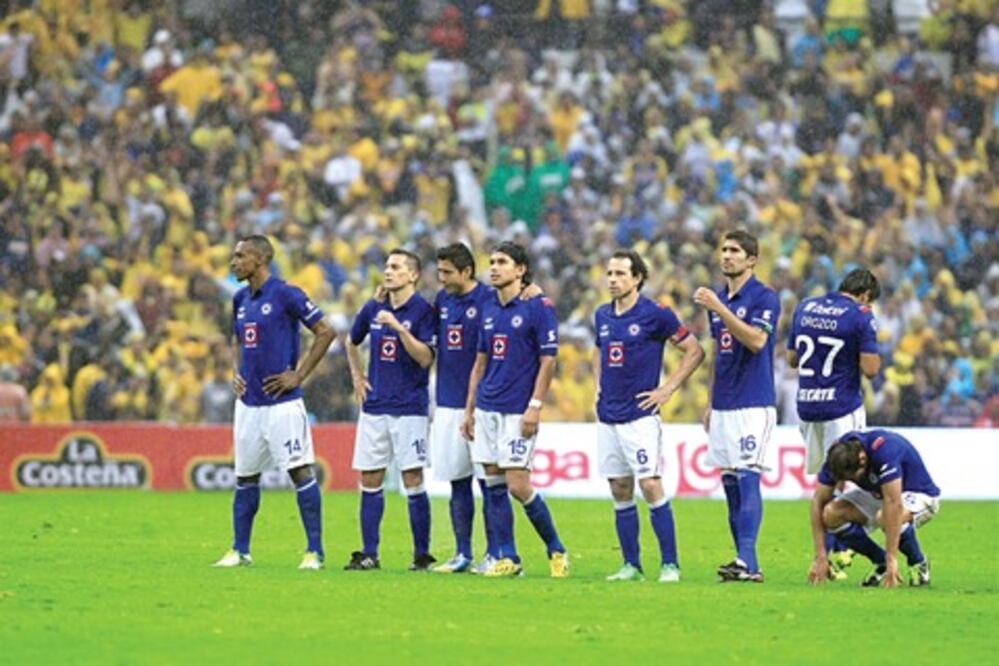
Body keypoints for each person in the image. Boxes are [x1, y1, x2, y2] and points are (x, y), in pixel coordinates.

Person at [214, 235, 336, 570]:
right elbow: (235, 339)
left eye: (240, 256)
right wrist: (234, 371)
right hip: (248, 404)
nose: (234, 262)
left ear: (259, 259)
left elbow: (325, 331)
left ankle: (314, 551)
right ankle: (240, 550)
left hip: (282, 404)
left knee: (299, 471)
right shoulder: (240, 298)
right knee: (246, 476)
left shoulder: (286, 294)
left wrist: (299, 375)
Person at [594, 250, 704, 582]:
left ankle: (670, 564)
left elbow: (694, 350)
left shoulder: (656, 314)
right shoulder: (601, 315)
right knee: (619, 487)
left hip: (640, 416)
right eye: (610, 273)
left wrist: (667, 388)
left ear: (638, 277)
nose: (612, 279)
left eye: (620, 274)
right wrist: (599, 390)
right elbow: (600, 353)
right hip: (607, 415)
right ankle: (631, 565)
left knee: (650, 484)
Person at [461, 242, 569, 577]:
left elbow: (548, 360)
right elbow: (479, 363)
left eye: (502, 262)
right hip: (487, 407)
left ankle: (556, 548)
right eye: (491, 261)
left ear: (520, 270)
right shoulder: (488, 308)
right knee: (492, 483)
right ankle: (508, 558)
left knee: (518, 485)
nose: (493, 267)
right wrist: (469, 410)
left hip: (517, 409)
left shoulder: (539, 307)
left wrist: (535, 406)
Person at [694, 229, 780, 583]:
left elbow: (757, 341)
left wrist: (718, 307)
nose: (726, 256)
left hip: (753, 403)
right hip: (725, 405)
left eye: (735, 251)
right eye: (724, 250)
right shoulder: (722, 301)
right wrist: (711, 401)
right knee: (730, 485)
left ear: (752, 260)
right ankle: (748, 563)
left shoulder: (765, 297)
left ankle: (745, 558)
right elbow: (719, 353)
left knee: (748, 479)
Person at [345, 249, 437, 571]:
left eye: (396, 267)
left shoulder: (424, 311)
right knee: (370, 476)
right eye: (386, 266)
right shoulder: (373, 307)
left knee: (412, 477)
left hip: (409, 407)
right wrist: (357, 376)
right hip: (374, 407)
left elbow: (426, 358)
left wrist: (399, 328)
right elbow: (350, 340)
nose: (388, 272)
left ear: (412, 275)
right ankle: (369, 553)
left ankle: (421, 555)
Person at [788, 267, 881, 580]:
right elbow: (870, 368)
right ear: (866, 295)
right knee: (848, 476)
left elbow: (791, 358)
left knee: (824, 480)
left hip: (808, 405)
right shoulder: (861, 314)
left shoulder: (806, 307)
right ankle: (840, 547)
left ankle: (827, 554)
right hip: (842, 405)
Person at [428, 243, 497, 574]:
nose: (441, 279)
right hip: (447, 402)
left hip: (482, 405)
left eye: (447, 272)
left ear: (466, 271)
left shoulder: (488, 300)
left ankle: (497, 554)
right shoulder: (442, 301)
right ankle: (463, 553)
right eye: (439, 272)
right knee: (458, 480)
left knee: (489, 482)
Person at [808, 430, 940, 588]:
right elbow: (818, 502)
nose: (849, 481)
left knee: (884, 517)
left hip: (918, 494)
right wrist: (821, 556)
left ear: (862, 459)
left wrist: (893, 557)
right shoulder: (838, 455)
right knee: (831, 514)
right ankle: (881, 562)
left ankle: (918, 563)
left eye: (852, 478)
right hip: (880, 495)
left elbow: (893, 503)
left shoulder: (885, 451)